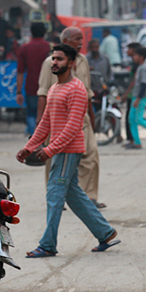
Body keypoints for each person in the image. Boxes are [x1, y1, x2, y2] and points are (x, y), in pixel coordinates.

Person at [17, 44, 120, 257]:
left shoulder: (77, 89)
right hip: (60, 151)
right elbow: (46, 123)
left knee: (54, 195)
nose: (55, 63)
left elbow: (73, 127)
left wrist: (50, 150)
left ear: (71, 63)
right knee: (73, 195)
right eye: (53, 59)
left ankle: (47, 245)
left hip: (68, 151)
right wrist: (29, 147)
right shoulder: (54, 89)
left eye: (60, 59)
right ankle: (105, 233)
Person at [37, 27, 103, 208]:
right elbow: (42, 92)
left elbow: (88, 92)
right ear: (65, 40)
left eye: (81, 39)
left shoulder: (82, 61)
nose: (81, 42)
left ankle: (89, 197)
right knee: (54, 159)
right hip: (56, 119)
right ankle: (56, 197)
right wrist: (39, 123)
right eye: (76, 39)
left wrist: (92, 116)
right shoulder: (49, 63)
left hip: (82, 120)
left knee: (90, 156)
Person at [16, 22, 50, 136]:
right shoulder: (49, 48)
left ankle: (33, 138)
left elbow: (20, 72)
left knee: (31, 114)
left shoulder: (24, 48)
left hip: (31, 87)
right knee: (48, 115)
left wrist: (19, 92)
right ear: (44, 33)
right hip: (49, 87)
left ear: (31, 33)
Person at [120, 42, 143, 145]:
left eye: (129, 49)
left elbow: (134, 81)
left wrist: (126, 93)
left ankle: (132, 139)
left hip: (134, 94)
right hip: (134, 93)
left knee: (131, 118)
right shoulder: (134, 63)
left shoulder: (136, 64)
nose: (127, 51)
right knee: (132, 117)